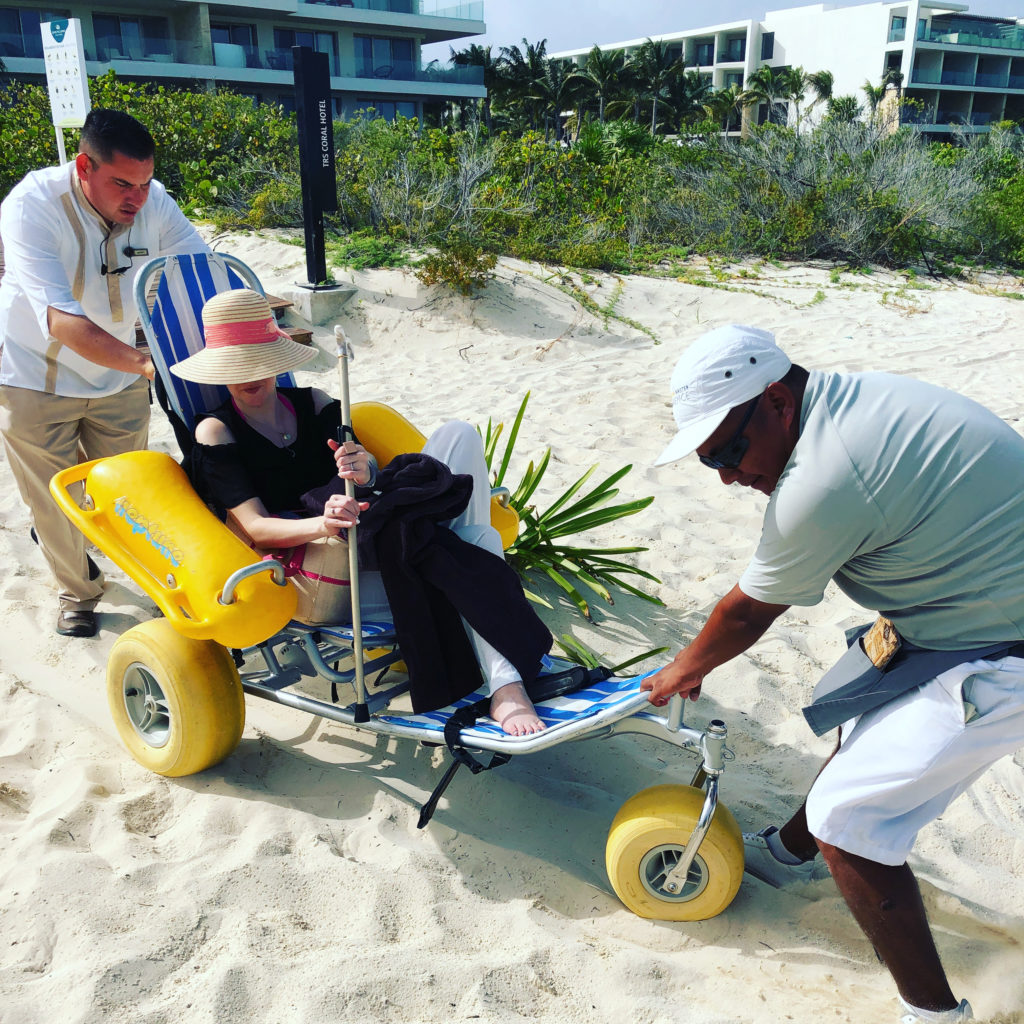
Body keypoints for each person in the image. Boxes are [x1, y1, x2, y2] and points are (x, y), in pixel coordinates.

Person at [643, 324, 1024, 1024]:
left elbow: (746, 613)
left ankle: (935, 1015)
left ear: (778, 402)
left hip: (1003, 648)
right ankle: (790, 853)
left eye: (730, 449)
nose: (729, 476)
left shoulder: (825, 476)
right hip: (959, 612)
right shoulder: (849, 403)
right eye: (710, 463)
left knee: (848, 821)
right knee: (858, 707)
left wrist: (680, 672)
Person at [171, 287, 548, 736]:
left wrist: (364, 469)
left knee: (460, 434)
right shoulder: (216, 430)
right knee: (476, 542)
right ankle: (506, 687)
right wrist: (321, 524)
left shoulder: (313, 404)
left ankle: (502, 678)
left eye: (258, 361)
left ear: (277, 359)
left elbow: (367, 466)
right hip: (321, 570)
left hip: (375, 535)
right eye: (235, 366)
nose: (248, 376)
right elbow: (253, 528)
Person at [0, 108, 209, 638]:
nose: (136, 198)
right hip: (34, 375)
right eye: (122, 183)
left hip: (117, 377)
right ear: (83, 166)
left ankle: (146, 576)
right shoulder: (31, 205)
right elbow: (61, 322)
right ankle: (78, 593)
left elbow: (201, 272)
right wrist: (148, 364)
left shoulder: (152, 200)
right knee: (52, 497)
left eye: (144, 182)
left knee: (127, 490)